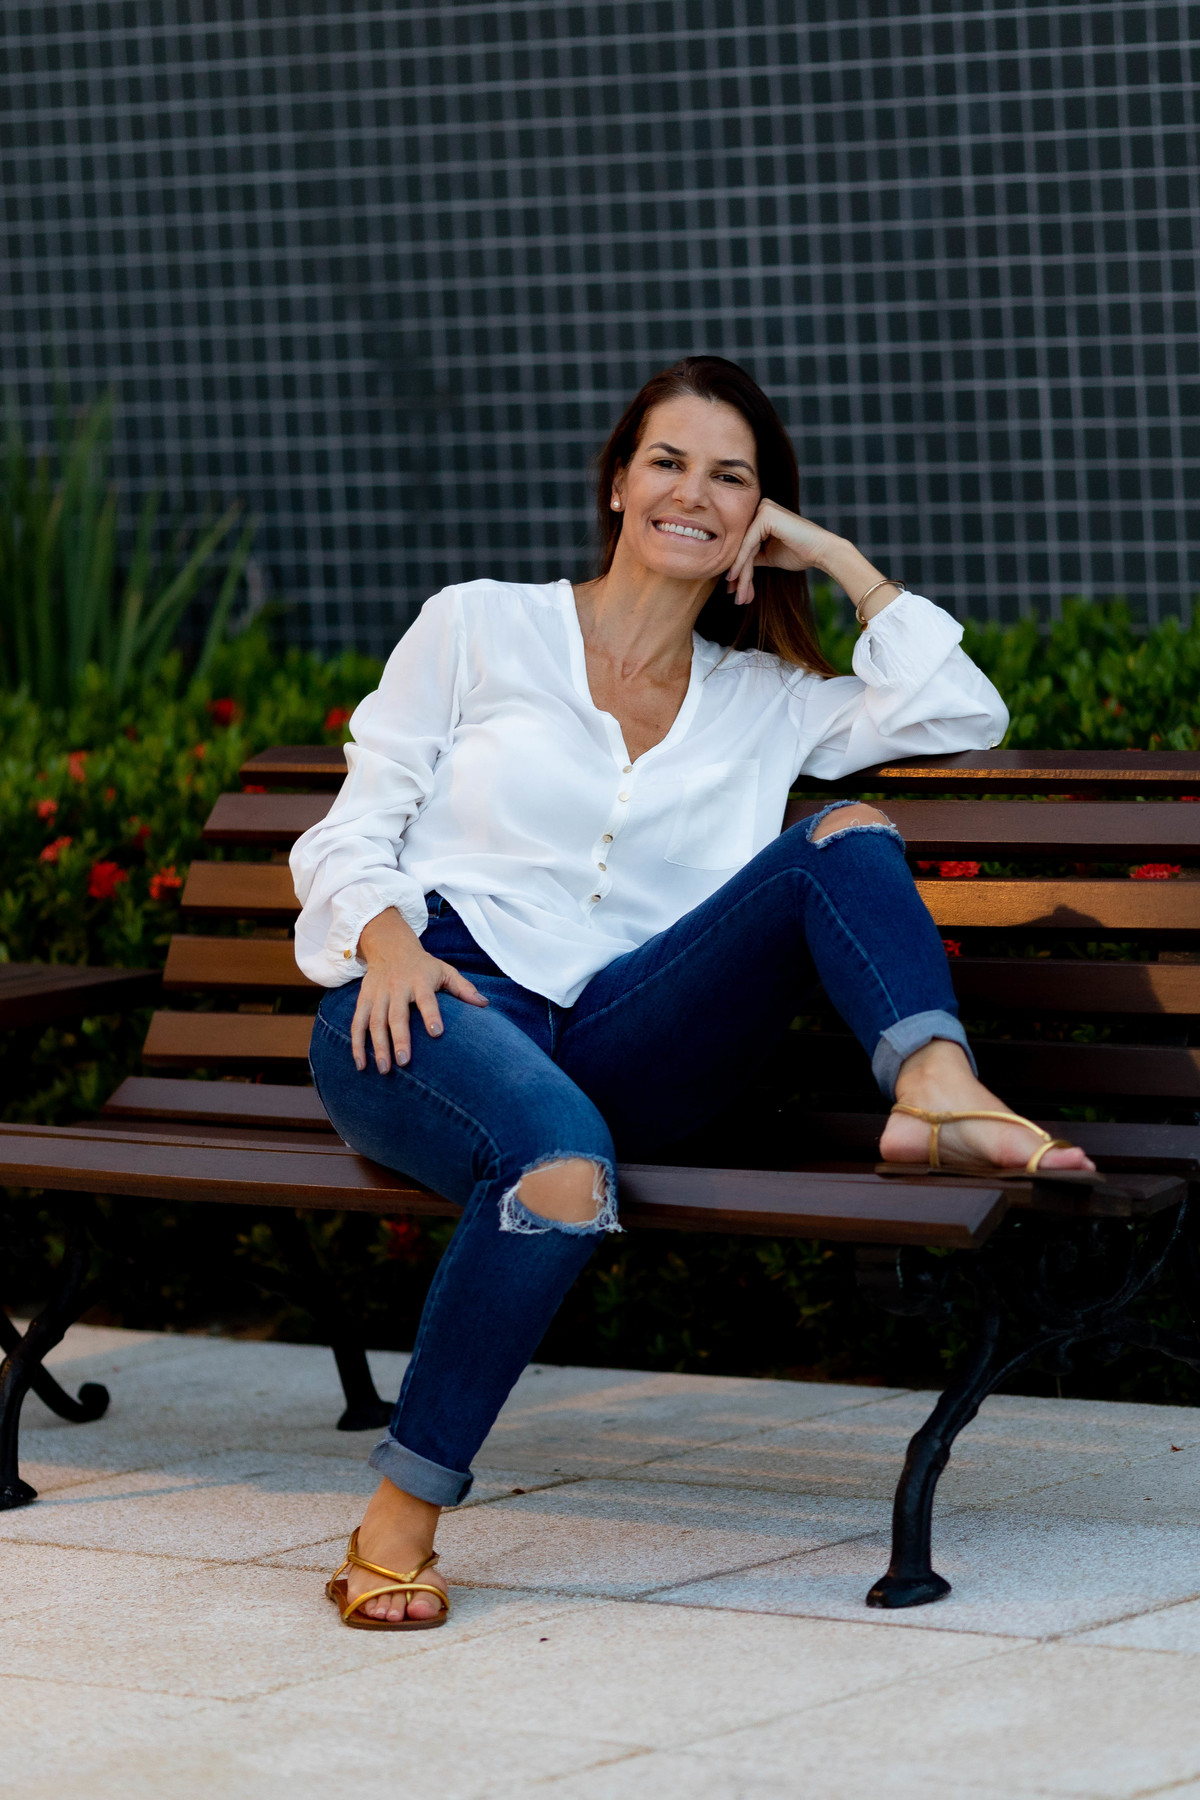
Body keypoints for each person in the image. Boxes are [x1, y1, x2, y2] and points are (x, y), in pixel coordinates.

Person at [292, 355, 1093, 1631]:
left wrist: (832, 557)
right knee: (559, 1168)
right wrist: (384, 942)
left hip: (627, 1033)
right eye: (668, 461)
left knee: (844, 835)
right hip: (436, 1000)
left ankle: (937, 1089)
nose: (693, 493)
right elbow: (352, 825)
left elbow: (965, 712)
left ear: (756, 519)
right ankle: (399, 1520)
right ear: (618, 482)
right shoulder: (480, 625)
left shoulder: (766, 702)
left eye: (732, 478)